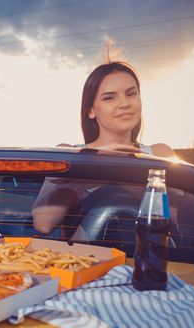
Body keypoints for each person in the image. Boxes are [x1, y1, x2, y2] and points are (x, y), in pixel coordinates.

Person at [32, 61, 174, 236]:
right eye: (109, 97)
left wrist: (117, 166)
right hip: (85, 260)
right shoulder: (70, 154)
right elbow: (43, 224)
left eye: (131, 94)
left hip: (149, 259)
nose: (125, 104)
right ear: (91, 110)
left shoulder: (159, 153)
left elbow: (176, 218)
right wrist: (93, 163)